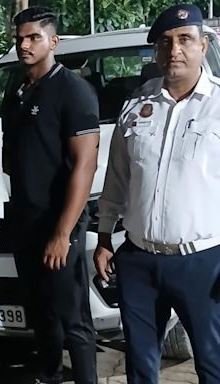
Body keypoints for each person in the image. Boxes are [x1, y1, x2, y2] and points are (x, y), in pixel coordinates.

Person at [0, 7, 100, 384]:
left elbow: (84, 167)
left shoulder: (73, 91)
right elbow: (15, 163)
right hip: (25, 220)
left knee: (73, 317)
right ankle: (50, 375)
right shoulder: (19, 90)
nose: (23, 45)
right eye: (19, 38)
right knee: (40, 311)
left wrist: (62, 234)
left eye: (33, 38)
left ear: (53, 41)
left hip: (60, 223)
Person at [94, 4, 220, 383]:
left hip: (203, 261)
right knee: (140, 364)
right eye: (165, 42)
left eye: (185, 40)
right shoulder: (136, 106)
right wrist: (103, 237)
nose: (174, 51)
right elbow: (117, 176)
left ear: (203, 45)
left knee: (212, 363)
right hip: (139, 260)